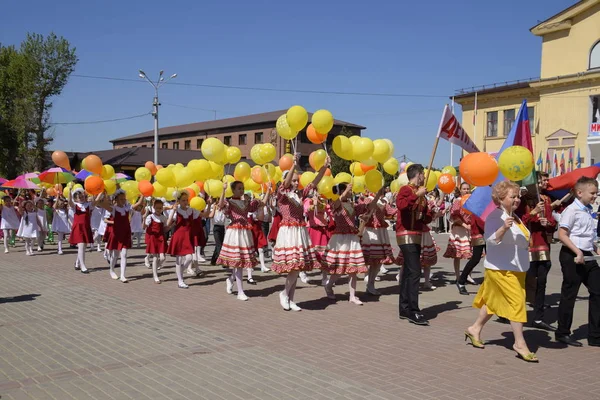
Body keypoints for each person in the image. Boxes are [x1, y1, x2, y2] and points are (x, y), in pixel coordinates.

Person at [465, 181, 537, 362]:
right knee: (517, 303)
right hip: (501, 269)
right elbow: (489, 240)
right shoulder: (495, 217)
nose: (517, 200)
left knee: (492, 302)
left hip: (516, 267)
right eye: (513, 197)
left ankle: (474, 329)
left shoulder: (516, 217)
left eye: (518, 196)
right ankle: (519, 343)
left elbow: (522, 239)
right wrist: (503, 228)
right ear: (500, 198)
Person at [271, 154, 328, 311]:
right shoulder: (282, 194)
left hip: (300, 231)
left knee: (298, 266)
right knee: (293, 267)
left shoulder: (300, 194)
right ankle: (284, 294)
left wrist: (324, 167)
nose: (296, 183)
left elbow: (314, 182)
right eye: (294, 180)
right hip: (288, 232)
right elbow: (286, 183)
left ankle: (290, 298)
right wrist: (293, 165)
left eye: (297, 180)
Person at [555, 176, 600, 347]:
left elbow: (588, 236)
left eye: (596, 193)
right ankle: (562, 333)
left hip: (587, 254)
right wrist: (577, 252)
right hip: (571, 255)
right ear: (579, 193)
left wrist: (596, 249)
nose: (595, 196)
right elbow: (562, 235)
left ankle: (595, 335)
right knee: (569, 295)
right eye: (592, 193)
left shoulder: (588, 210)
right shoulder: (571, 210)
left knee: (598, 291)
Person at [323, 184, 377, 305]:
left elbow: (370, 206)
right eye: (349, 190)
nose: (351, 192)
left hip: (352, 238)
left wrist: (378, 194)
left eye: (351, 190)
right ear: (343, 191)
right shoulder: (335, 203)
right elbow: (337, 201)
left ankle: (352, 296)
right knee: (339, 269)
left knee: (353, 268)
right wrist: (346, 189)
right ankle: (329, 285)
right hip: (340, 238)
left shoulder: (353, 204)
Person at [217, 181, 270, 301]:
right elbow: (220, 206)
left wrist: (267, 191)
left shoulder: (246, 202)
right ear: (233, 190)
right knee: (238, 262)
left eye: (242, 188)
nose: (241, 190)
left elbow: (262, 204)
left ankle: (231, 279)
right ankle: (240, 291)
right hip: (234, 233)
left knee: (241, 261)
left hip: (245, 233)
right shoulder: (229, 202)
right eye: (239, 188)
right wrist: (223, 190)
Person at [519, 172, 557, 331]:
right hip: (527, 246)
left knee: (542, 281)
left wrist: (547, 222)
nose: (545, 182)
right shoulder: (522, 200)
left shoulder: (546, 200)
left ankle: (539, 317)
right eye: (543, 180)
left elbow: (552, 222)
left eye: (546, 180)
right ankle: (510, 313)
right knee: (522, 282)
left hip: (542, 245)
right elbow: (518, 221)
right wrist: (532, 214)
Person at [396, 164, 432, 325]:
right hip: (406, 234)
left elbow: (426, 216)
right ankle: (413, 311)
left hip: (417, 235)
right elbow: (401, 205)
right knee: (415, 271)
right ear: (417, 175)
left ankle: (404, 309)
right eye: (423, 174)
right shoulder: (406, 189)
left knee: (410, 273)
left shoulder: (422, 193)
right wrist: (416, 194)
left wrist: (429, 214)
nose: (424, 176)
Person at [166, 191, 197, 289]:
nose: (185, 202)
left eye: (186, 200)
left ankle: (180, 272)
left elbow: (207, 215)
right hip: (178, 236)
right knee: (178, 259)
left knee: (189, 258)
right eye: (183, 200)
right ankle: (180, 280)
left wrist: (208, 204)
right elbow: (168, 223)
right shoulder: (176, 210)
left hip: (188, 236)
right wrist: (173, 211)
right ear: (178, 201)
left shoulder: (190, 210)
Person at [444, 182, 473, 282]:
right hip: (459, 230)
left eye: (468, 189)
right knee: (457, 255)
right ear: (460, 190)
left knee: (473, 255)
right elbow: (454, 216)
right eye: (464, 189)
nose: (466, 190)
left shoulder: (472, 200)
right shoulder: (458, 201)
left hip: (470, 229)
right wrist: (465, 225)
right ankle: (457, 276)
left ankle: (468, 274)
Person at [69, 188, 100, 274]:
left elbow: (96, 201)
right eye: (79, 197)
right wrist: (69, 192)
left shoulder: (88, 205)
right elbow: (70, 202)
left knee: (83, 247)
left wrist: (99, 192)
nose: (81, 198)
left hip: (86, 227)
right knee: (81, 246)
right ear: (76, 199)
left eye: (82, 196)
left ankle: (77, 263)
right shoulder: (75, 206)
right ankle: (83, 266)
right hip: (78, 227)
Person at [456, 214, 485, 295]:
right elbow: (481, 223)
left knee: (491, 260)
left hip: (488, 236)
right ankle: (461, 281)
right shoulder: (477, 210)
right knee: (475, 259)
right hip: (478, 235)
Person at [144, 199, 168, 284]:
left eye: (160, 208)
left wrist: (172, 225)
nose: (158, 210)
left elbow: (165, 229)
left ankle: (156, 267)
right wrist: (144, 219)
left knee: (162, 258)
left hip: (161, 238)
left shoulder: (163, 217)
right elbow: (144, 227)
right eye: (157, 208)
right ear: (154, 207)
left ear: (162, 209)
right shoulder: (150, 217)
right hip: (153, 238)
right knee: (155, 257)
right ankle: (155, 276)